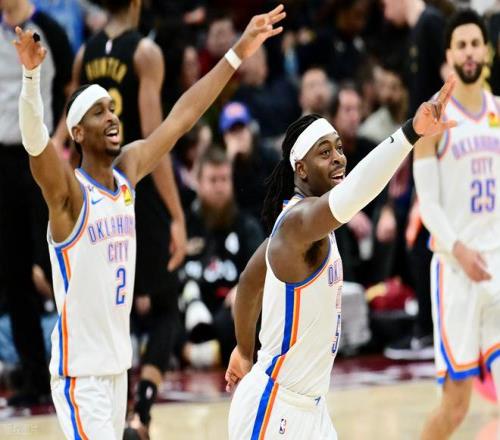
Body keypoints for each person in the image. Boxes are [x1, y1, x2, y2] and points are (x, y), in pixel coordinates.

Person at [13, 4, 285, 439]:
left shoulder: (128, 170)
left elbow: (182, 117)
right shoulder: (69, 195)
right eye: (99, 112)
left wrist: (238, 52)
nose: (112, 116)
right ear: (77, 132)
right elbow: (35, 143)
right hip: (80, 377)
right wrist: (30, 79)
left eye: (111, 108)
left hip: (118, 370)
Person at [224, 74, 457, 439]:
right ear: (301, 169)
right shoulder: (298, 223)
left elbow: (249, 282)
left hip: (312, 409)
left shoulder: (299, 225)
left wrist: (242, 350)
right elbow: (356, 192)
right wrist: (411, 132)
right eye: (324, 152)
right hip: (274, 408)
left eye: (338, 148)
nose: (338, 159)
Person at [71, 0, 187, 436]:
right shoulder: (144, 52)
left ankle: (119, 412)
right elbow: (157, 139)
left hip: (91, 188)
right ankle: (142, 412)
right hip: (132, 184)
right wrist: (176, 215)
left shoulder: (84, 54)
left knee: (112, 304)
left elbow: (68, 125)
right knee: (166, 306)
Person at [414, 10, 500, 439]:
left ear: (487, 51)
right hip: (455, 271)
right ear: (448, 55)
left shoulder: (499, 111)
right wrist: (461, 250)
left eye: (475, 44)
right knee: (456, 407)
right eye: (460, 45)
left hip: (497, 264)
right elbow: (428, 205)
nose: (469, 52)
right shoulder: (433, 118)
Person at [0, 0, 73, 406]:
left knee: (53, 262)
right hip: (3, 160)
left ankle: (74, 361)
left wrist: (58, 141)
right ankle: (32, 374)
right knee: (13, 270)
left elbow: (71, 88)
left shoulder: (49, 28)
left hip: (40, 156)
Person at [382, 0, 448, 360]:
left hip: (439, 148)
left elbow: (449, 82)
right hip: (423, 147)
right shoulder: (416, 32)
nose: (383, 9)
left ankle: (429, 329)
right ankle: (427, 324)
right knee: (418, 237)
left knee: (423, 235)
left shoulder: (431, 24)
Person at [178, 147, 264, 369]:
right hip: (190, 310)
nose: (219, 187)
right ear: (198, 182)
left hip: (229, 314)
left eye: (224, 179)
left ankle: (208, 353)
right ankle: (187, 351)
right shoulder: (184, 226)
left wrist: (243, 289)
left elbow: (263, 271)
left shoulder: (247, 226)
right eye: (213, 180)